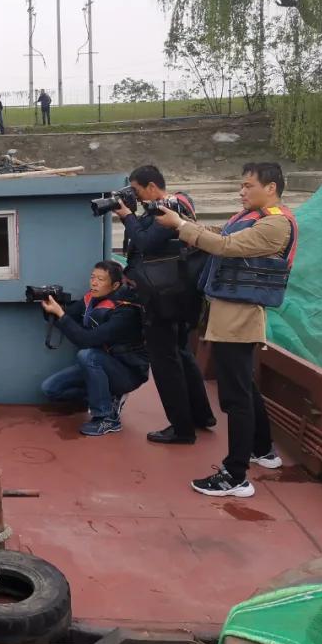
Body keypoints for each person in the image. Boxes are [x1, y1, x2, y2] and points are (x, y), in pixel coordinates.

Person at [155, 162, 297, 498]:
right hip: (230, 316)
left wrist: (179, 225)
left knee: (236, 398)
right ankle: (262, 450)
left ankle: (236, 476)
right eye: (242, 185)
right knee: (244, 387)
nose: (242, 191)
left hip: (239, 319)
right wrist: (186, 223)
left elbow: (227, 247)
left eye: (249, 186)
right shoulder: (255, 218)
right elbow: (222, 235)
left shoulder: (275, 224)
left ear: (271, 187)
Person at [115, 165, 215, 445]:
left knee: (164, 362)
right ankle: (202, 415)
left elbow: (146, 243)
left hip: (162, 298)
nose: (135, 197)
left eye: (136, 191)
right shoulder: (180, 202)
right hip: (179, 294)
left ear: (150, 187)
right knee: (182, 354)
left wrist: (126, 217)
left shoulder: (166, 209)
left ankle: (181, 428)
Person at [39, 261, 149, 436]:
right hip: (100, 364)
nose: (94, 282)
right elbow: (68, 318)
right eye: (92, 277)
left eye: (100, 279)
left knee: (86, 355)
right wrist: (50, 308)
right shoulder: (91, 298)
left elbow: (86, 340)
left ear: (115, 285)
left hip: (128, 371)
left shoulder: (125, 310)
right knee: (51, 389)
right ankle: (108, 396)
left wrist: (60, 314)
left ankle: (107, 418)